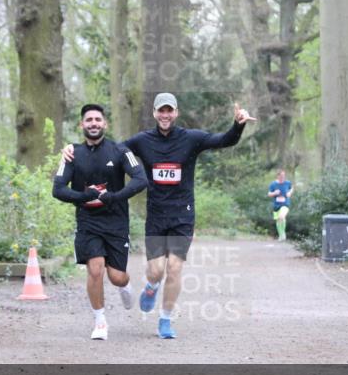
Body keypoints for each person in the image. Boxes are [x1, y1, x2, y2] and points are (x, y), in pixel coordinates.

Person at [63, 93, 256, 339]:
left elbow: (224, 140)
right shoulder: (143, 141)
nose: (165, 115)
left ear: (176, 113)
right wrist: (73, 149)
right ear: (154, 113)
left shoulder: (191, 138)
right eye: (161, 111)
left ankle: (165, 320)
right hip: (156, 215)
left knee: (174, 268)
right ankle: (152, 285)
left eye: (169, 111)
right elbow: (112, 151)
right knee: (156, 271)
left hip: (182, 214)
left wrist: (237, 125)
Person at [52, 104, 147, 340]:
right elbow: (58, 189)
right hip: (88, 223)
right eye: (89, 120)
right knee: (95, 270)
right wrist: (84, 196)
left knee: (116, 276)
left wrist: (113, 197)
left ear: (105, 124)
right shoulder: (72, 154)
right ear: (81, 125)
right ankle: (100, 322)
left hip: (116, 222)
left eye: (97, 119)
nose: (93, 123)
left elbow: (141, 179)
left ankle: (125, 285)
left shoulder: (120, 150)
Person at [267, 169, 294, 241]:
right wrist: (274, 193)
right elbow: (269, 194)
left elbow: (291, 188)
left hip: (285, 204)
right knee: (278, 220)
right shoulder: (273, 184)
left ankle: (283, 234)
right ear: (278, 176)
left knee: (281, 216)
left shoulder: (287, 183)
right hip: (276, 205)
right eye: (281, 176)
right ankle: (281, 235)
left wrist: (289, 193)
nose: (283, 177)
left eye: (284, 176)